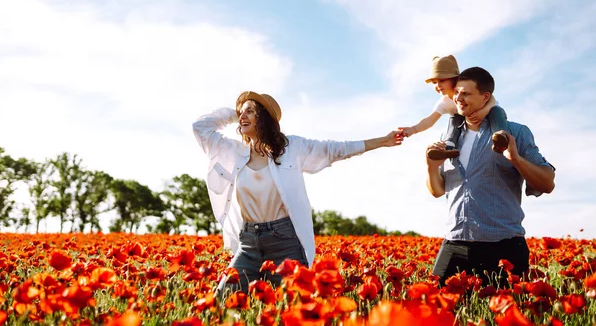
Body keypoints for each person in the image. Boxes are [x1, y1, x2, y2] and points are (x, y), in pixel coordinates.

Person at [192, 91, 404, 295]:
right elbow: (200, 127)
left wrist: (382, 141)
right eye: (241, 112)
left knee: (290, 310)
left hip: (284, 243)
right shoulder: (234, 152)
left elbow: (335, 149)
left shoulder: (292, 148)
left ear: (264, 118)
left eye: (250, 111)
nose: (242, 117)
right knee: (223, 300)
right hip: (248, 244)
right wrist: (234, 111)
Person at [425, 67, 555, 286]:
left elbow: (547, 182)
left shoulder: (515, 133)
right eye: (456, 92)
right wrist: (430, 166)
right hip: (454, 243)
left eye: (465, 93)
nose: (458, 98)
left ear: (485, 97)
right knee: (435, 311)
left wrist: (515, 159)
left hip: (503, 248)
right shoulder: (449, 139)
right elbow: (437, 191)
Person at [399, 55, 510, 160]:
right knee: (454, 119)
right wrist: (413, 129)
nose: (438, 86)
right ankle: (450, 147)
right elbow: (430, 120)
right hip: (466, 121)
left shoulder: (468, 89)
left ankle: (501, 138)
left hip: (490, 114)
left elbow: (491, 99)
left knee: (496, 112)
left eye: (442, 80)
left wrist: (484, 111)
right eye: (434, 82)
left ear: (454, 79)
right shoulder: (444, 102)